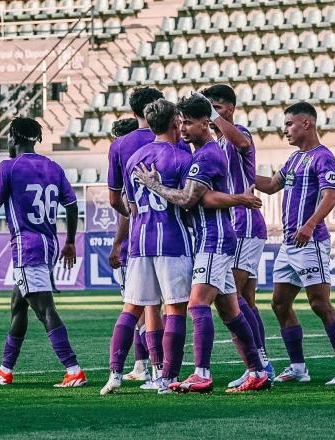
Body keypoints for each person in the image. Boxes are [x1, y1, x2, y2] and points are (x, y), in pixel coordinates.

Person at [134, 95, 268, 393]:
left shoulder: (207, 155)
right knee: (231, 310)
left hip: (213, 238)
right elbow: (203, 197)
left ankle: (202, 373)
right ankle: (257, 371)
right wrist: (239, 199)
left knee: (196, 304)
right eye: (179, 122)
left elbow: (189, 198)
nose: (182, 128)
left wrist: (154, 184)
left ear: (205, 123)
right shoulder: (203, 153)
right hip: (216, 237)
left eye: (188, 123)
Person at [255, 101, 335, 385]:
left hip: (310, 242)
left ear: (306, 124)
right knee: (279, 303)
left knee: (319, 303)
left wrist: (310, 225)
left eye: (289, 124)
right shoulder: (293, 160)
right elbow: (271, 185)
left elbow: (329, 196)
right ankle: (299, 368)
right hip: (290, 244)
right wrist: (239, 174)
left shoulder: (323, 157)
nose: (285, 130)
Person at [0, 117, 87, 388]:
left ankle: (73, 370)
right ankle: (5, 369)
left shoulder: (9, 167)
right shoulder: (53, 167)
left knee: (44, 309)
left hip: (27, 247)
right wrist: (70, 241)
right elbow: (72, 205)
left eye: (8, 137)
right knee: (18, 304)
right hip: (49, 244)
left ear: (14, 137)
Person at [100, 99, 195, 396]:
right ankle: (167, 378)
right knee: (175, 310)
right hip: (172, 240)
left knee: (130, 309)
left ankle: (115, 374)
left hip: (139, 242)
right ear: (174, 123)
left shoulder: (133, 158)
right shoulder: (181, 156)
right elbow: (187, 202)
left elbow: (129, 206)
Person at [201, 85, 274, 386]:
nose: (211, 113)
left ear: (228, 108)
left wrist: (213, 117)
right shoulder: (217, 141)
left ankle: (258, 363)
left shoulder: (237, 132)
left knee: (230, 298)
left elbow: (242, 142)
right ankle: (261, 361)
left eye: (216, 106)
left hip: (243, 222)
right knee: (244, 299)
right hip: (235, 222)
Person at [108, 116, 150, 382]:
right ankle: (147, 365)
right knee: (150, 309)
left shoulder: (127, 166)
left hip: (135, 247)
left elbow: (124, 211)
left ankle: (143, 366)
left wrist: (117, 245)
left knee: (135, 308)